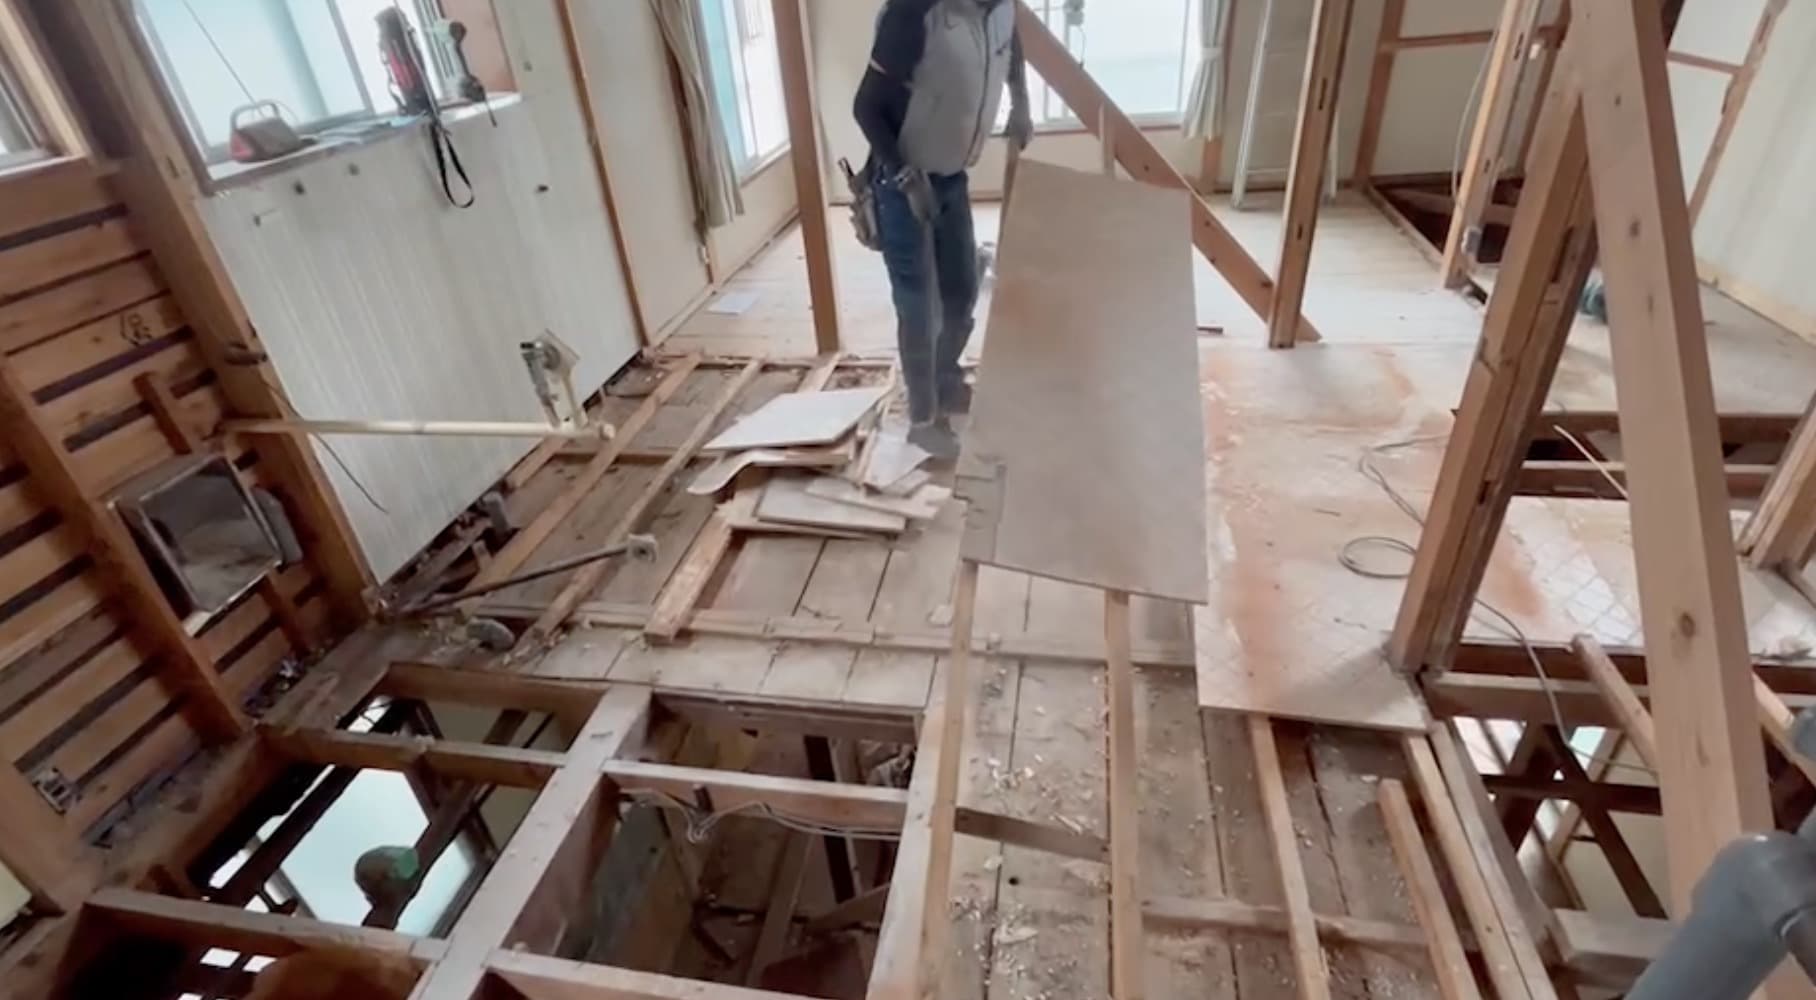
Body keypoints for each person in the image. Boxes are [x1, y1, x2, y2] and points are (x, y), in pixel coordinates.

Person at [853, 0, 1033, 459]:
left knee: (961, 289)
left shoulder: (1001, 9)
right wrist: (904, 176)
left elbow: (1010, 45)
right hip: (902, 182)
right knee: (919, 305)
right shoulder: (913, 13)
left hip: (952, 177)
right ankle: (922, 420)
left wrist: (1021, 102)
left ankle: (944, 380)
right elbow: (866, 107)